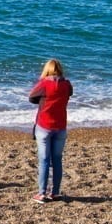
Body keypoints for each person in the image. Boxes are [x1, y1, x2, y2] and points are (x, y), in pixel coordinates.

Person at [28, 58, 73, 203]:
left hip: (44, 126)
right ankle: (55, 192)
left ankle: (41, 193)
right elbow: (68, 94)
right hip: (60, 127)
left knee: (44, 160)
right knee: (57, 160)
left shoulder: (44, 84)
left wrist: (43, 100)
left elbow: (32, 97)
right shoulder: (67, 84)